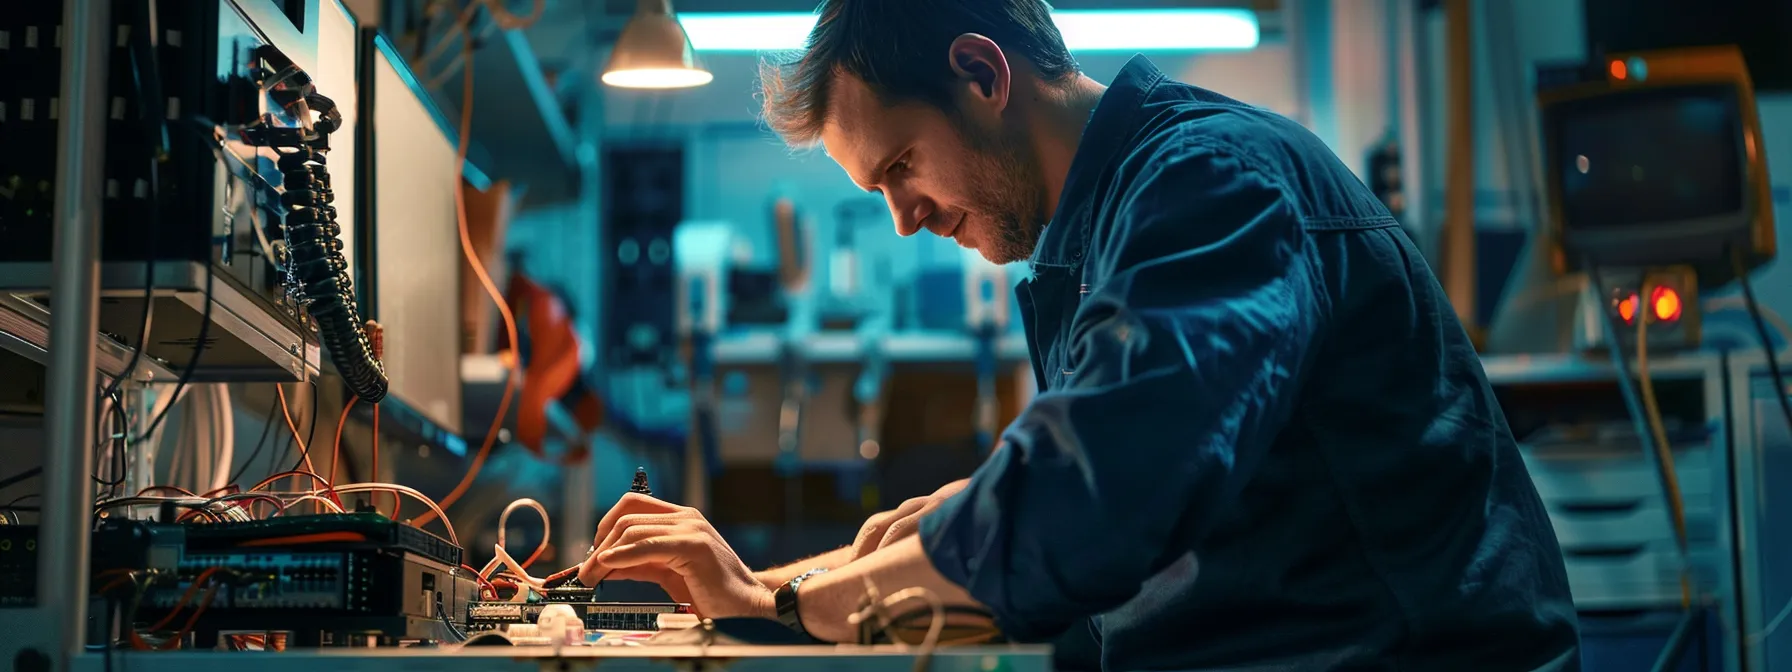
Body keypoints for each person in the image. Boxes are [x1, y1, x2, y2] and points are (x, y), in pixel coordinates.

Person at [580, 1, 1582, 669]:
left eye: (898, 170)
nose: (903, 218)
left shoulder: (1210, 184)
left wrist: (776, 600)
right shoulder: (1101, 232)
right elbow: (1095, 488)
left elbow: (1082, 506)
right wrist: (935, 531)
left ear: (980, 73)